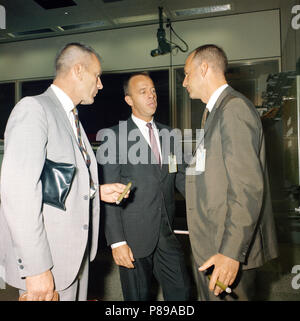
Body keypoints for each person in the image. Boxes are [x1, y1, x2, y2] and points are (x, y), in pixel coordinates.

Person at [0, 42, 128, 301]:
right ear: (78, 71)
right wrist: (36, 268)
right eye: (97, 76)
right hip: (47, 262)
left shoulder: (70, 116)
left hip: (72, 259)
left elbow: (55, 177)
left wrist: (95, 191)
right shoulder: (34, 109)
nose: (100, 85)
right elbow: (19, 194)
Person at [182, 44, 278, 300]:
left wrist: (231, 253)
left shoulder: (233, 109)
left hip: (226, 247)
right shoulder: (215, 112)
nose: (183, 82)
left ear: (204, 69)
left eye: (187, 74)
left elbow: (246, 187)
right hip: (213, 242)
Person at [97, 72, 191, 300]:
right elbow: (110, 194)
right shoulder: (114, 137)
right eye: (143, 92)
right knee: (137, 297)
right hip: (132, 237)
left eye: (153, 91)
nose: (151, 96)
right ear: (129, 100)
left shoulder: (170, 134)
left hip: (166, 231)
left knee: (183, 292)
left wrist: (208, 206)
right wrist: (117, 242)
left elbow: (180, 178)